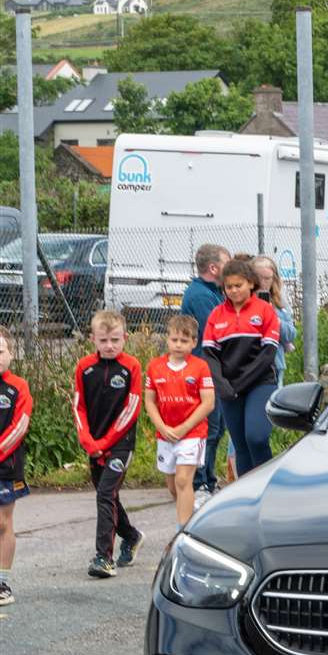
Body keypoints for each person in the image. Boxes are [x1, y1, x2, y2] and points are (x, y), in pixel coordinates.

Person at [73, 309, 144, 579]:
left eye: (115, 340)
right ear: (93, 339)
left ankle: (104, 557)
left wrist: (105, 442)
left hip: (120, 444)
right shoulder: (84, 367)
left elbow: (132, 408)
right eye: (103, 341)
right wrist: (89, 441)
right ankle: (132, 535)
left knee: (104, 494)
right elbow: (78, 406)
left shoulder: (132, 367)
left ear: (125, 338)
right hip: (94, 445)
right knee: (108, 495)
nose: (109, 346)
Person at [202, 260, 281, 476]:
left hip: (260, 383)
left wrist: (239, 385)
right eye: (229, 287)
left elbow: (267, 355)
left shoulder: (265, 310)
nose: (234, 290)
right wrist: (223, 386)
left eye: (239, 285)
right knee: (241, 447)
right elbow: (210, 356)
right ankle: (247, 496)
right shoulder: (216, 315)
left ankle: (267, 482)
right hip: (229, 389)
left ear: (251, 284)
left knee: (256, 437)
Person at [143, 315, 215, 528]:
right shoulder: (155, 367)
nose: (178, 345)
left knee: (184, 480)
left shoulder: (200, 367)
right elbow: (149, 401)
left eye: (184, 341)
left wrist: (184, 427)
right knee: (174, 486)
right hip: (166, 434)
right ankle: (191, 511)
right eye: (174, 339)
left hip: (192, 434)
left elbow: (208, 403)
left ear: (194, 342)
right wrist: (162, 427)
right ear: (167, 339)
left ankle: (183, 530)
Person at [180, 244, 228, 504]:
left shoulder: (212, 292)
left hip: (213, 370)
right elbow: (217, 330)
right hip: (204, 371)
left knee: (216, 428)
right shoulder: (201, 296)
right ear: (213, 268)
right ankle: (200, 481)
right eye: (226, 263)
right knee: (208, 429)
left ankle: (209, 478)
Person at [0, 326, 31, 606]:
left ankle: (2, 582)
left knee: (2, 522)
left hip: (7, 467)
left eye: (0, 351)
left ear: (10, 353)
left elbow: (20, 425)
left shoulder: (18, 386)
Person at [250, 255, 298, 384]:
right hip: (250, 364)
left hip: (275, 364)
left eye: (267, 278)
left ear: (274, 279)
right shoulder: (242, 300)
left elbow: (291, 334)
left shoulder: (279, 302)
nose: (262, 283)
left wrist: (275, 320)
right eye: (258, 278)